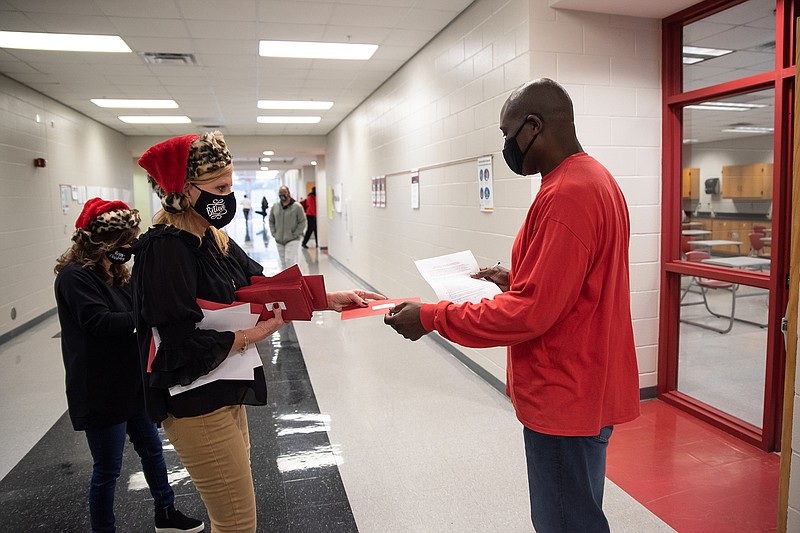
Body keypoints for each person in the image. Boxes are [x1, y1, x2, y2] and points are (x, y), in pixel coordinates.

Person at [384, 79, 640, 533]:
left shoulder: (568, 193)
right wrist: (515, 278)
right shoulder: (595, 179)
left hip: (565, 392)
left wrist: (431, 317)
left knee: (564, 522)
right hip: (587, 383)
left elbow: (532, 313)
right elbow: (576, 285)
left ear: (534, 126)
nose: (506, 146)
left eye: (508, 135)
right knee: (577, 511)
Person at [134, 131, 384, 533]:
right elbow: (177, 340)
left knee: (236, 515)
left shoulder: (214, 240)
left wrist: (327, 298)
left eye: (230, 186)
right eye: (219, 188)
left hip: (225, 387)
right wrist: (251, 336)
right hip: (194, 399)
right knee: (236, 522)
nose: (228, 197)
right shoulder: (165, 250)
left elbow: (262, 284)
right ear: (184, 191)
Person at [54, 198, 204, 533]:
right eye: (125, 242)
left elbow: (139, 307)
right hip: (100, 389)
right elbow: (100, 322)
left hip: (133, 382)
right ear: (102, 243)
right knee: (107, 469)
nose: (130, 247)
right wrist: (147, 316)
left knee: (152, 451)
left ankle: (166, 513)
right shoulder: (74, 279)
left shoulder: (118, 274)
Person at [268, 185, 306, 267]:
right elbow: (271, 220)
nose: (282, 195)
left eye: (284, 192)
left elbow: (302, 222)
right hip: (279, 239)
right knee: (283, 262)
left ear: (288, 193)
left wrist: (295, 234)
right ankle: (285, 279)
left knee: (289, 261)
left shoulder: (297, 206)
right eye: (280, 193)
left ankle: (291, 279)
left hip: (293, 239)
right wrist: (274, 233)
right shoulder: (275, 207)